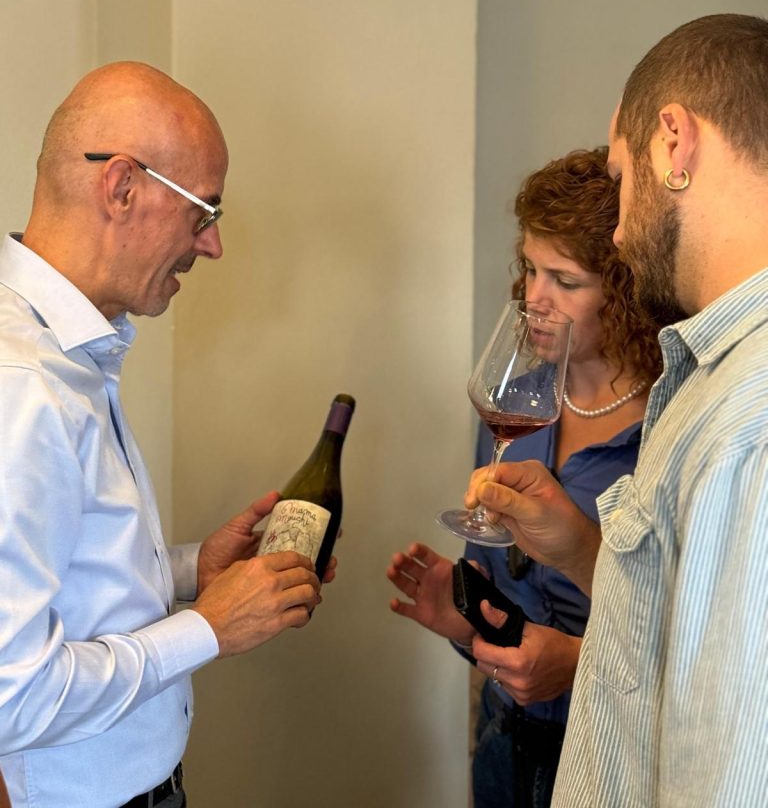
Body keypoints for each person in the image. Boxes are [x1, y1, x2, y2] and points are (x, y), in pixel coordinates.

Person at [0, 63, 329, 808]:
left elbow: (65, 571)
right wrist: (207, 628)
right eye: (203, 212)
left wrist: (188, 570)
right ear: (122, 187)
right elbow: (12, 696)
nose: (211, 246)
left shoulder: (67, 351)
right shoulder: (22, 384)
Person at [467, 13, 768, 807]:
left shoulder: (750, 418)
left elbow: (728, 762)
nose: (624, 228)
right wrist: (576, 548)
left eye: (621, 176)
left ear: (674, 143)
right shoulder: (708, 377)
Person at [387, 148, 661, 808]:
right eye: (531, 269)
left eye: (565, 281)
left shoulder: (668, 425)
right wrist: (466, 624)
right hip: (504, 744)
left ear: (624, 291)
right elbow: (504, 605)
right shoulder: (519, 402)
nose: (534, 300)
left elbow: (696, 630)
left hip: (614, 757)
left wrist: (578, 662)